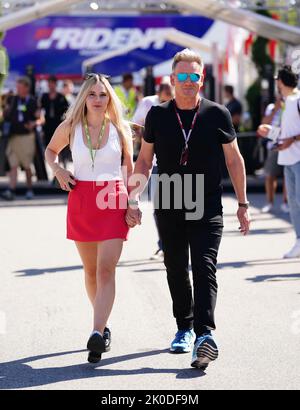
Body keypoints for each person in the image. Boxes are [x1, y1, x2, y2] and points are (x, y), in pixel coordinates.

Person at [126, 49, 250, 370]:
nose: (187, 82)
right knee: (176, 267)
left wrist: (243, 203)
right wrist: (133, 199)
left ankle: (205, 334)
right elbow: (144, 160)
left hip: (206, 202)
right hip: (168, 199)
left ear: (201, 79)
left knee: (205, 265)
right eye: (181, 76)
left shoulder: (216, 113)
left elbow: (234, 159)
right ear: (171, 79)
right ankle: (184, 326)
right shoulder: (157, 115)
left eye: (193, 76)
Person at [45, 73, 134, 363]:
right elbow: (50, 151)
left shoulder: (120, 129)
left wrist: (133, 202)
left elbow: (130, 169)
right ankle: (103, 325)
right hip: (81, 198)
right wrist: (58, 171)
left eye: (103, 94)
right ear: (84, 97)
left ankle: (96, 333)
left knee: (106, 269)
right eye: (92, 94)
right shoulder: (70, 126)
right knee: (90, 271)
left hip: (112, 198)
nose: (98, 100)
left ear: (110, 98)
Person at [258, 65, 300, 259]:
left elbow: (292, 135)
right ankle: (299, 241)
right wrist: (271, 132)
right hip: (288, 159)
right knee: (293, 204)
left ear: (281, 82)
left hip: (298, 158)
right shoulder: (284, 102)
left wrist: (291, 140)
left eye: (277, 80)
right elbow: (286, 132)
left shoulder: (297, 99)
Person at [132, 80, 174, 259]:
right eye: (165, 98)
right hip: (155, 162)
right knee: (159, 207)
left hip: (179, 164)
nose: (168, 101)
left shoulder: (179, 103)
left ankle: (177, 244)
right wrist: (147, 135)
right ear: (159, 94)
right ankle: (163, 245)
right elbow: (135, 125)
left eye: (170, 98)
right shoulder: (148, 103)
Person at [1, 76, 40, 201]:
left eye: (20, 87)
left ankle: (29, 189)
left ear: (27, 87)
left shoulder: (33, 101)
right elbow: (5, 114)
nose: (18, 89)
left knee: (27, 165)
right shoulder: (12, 99)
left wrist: (33, 124)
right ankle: (11, 190)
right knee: (13, 165)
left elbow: (40, 118)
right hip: (13, 137)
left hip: (27, 137)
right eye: (17, 86)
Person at [258, 96, 289, 214]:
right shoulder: (271, 107)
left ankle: (286, 202)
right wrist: (276, 110)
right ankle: (269, 202)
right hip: (274, 145)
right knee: (270, 175)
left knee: (288, 175)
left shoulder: (291, 106)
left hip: (289, 144)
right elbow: (264, 123)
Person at [40, 75, 70, 168]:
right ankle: (55, 171)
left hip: (58, 125)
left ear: (55, 85)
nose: (50, 86)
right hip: (48, 126)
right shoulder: (44, 96)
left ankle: (64, 167)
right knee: (50, 148)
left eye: (52, 84)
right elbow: (40, 109)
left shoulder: (61, 97)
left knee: (61, 148)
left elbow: (67, 111)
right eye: (49, 84)